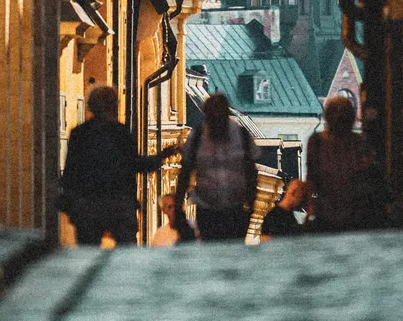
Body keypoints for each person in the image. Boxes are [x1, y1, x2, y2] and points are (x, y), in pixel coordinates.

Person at [60, 85, 180, 247]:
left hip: (88, 206)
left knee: (88, 251)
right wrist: (161, 156)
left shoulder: (79, 133)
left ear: (91, 107)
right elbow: (136, 164)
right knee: (125, 251)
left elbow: (70, 173)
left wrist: (70, 202)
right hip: (119, 205)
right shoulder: (120, 133)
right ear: (113, 107)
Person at [175, 92, 257, 242]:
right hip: (208, 210)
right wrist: (178, 206)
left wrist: (250, 206)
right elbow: (185, 172)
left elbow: (251, 172)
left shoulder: (242, 136)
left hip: (235, 211)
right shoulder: (197, 136)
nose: (216, 121)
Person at [306, 94, 378, 232]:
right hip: (353, 215)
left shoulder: (317, 142)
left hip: (331, 213)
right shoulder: (360, 142)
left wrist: (311, 210)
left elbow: (311, 180)